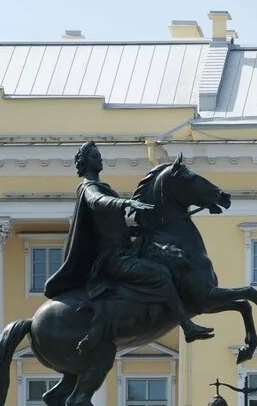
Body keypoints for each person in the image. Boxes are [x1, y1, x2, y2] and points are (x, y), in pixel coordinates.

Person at [45, 140, 215, 351]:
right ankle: (187, 325)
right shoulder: (89, 187)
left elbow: (117, 228)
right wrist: (124, 203)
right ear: (83, 162)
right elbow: (98, 201)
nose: (99, 159)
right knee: (160, 274)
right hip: (115, 258)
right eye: (93, 156)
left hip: (126, 250)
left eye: (99, 155)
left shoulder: (104, 187)